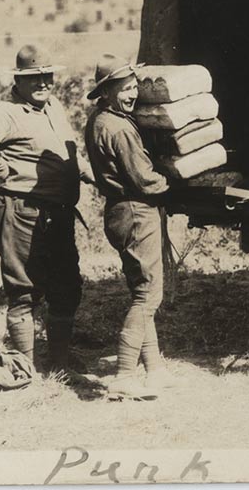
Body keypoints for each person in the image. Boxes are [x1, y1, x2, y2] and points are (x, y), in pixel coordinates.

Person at [0, 45, 93, 376]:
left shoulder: (54, 108)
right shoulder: (6, 112)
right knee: (24, 290)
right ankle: (26, 369)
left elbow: (67, 154)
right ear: (18, 81)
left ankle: (60, 362)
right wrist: (1, 170)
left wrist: (90, 174)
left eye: (46, 76)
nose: (42, 83)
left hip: (57, 213)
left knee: (66, 285)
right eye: (33, 78)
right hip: (20, 210)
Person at [84, 55, 178, 401]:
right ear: (106, 92)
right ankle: (124, 375)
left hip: (121, 210)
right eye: (123, 88)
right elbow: (144, 179)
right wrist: (171, 183)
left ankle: (154, 368)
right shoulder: (119, 128)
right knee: (147, 295)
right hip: (137, 211)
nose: (131, 93)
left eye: (132, 86)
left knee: (142, 289)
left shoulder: (99, 120)